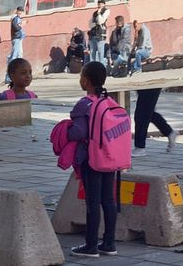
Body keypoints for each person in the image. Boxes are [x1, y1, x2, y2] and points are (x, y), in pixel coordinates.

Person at [68, 61, 118, 258]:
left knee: (93, 202)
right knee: (109, 200)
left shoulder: (84, 104)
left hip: (92, 159)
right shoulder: (108, 101)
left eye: (81, 76)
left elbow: (79, 132)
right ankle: (109, 243)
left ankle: (90, 246)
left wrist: (67, 130)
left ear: (86, 81)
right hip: (110, 157)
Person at [132, 88, 179, 157]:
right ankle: (169, 132)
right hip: (144, 82)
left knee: (142, 114)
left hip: (150, 82)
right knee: (148, 112)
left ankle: (140, 147)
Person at [5, 6, 25, 83]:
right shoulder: (15, 18)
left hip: (18, 39)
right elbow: (16, 28)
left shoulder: (17, 18)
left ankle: (17, 75)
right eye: (20, 11)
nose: (21, 13)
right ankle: (8, 77)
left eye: (21, 12)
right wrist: (22, 25)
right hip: (16, 39)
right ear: (18, 11)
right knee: (13, 57)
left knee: (19, 55)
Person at [88, 0, 110, 66]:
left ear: (104, 5)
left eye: (101, 4)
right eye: (99, 4)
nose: (100, 5)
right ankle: (92, 69)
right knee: (92, 53)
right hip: (93, 34)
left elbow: (101, 21)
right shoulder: (95, 13)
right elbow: (90, 24)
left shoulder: (106, 11)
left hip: (100, 35)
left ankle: (101, 68)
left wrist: (99, 13)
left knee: (100, 53)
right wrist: (96, 16)